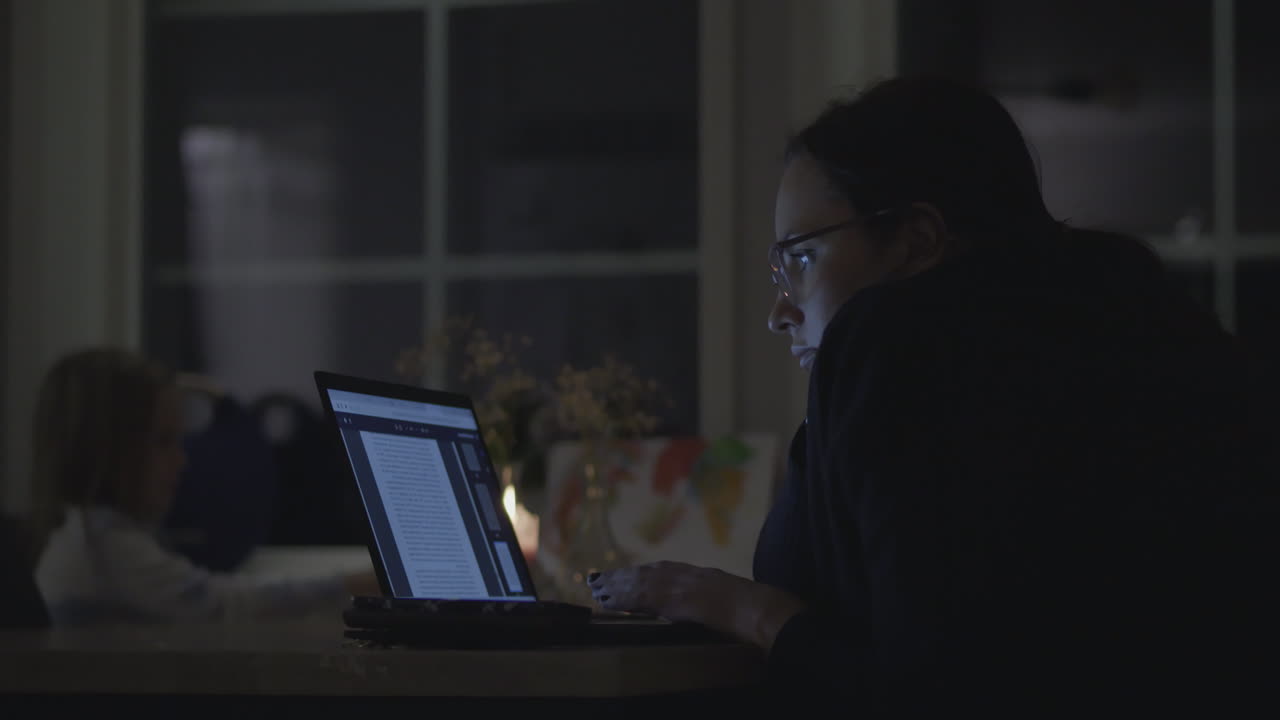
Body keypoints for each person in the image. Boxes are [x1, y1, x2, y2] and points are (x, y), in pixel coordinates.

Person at [588, 75, 1278, 713]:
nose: (779, 311)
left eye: (801, 257)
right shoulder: (1147, 323)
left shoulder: (895, 344)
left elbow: (927, 690)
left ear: (917, 240)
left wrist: (744, 611)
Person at [31, 347, 381, 627]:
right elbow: (222, 606)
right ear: (105, 449)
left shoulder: (98, 535)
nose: (182, 460)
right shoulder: (101, 544)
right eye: (163, 441)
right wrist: (357, 586)